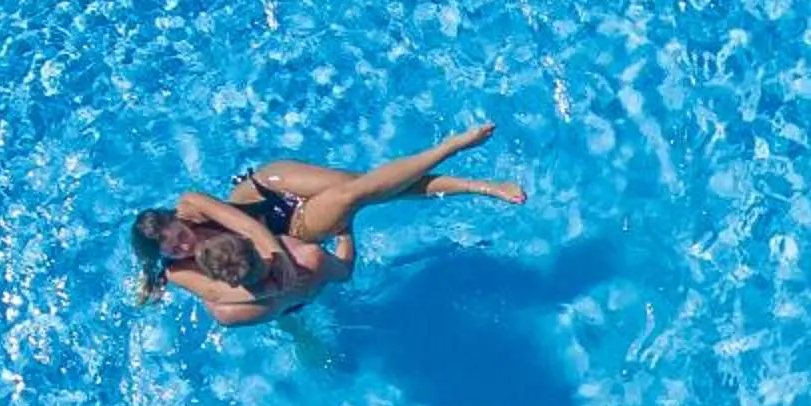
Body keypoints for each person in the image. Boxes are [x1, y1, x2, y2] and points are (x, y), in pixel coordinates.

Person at [131, 122, 523, 327]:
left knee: (366, 187)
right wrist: (282, 271)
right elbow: (226, 294)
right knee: (357, 195)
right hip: (292, 237)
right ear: (161, 254)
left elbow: (248, 228)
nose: (182, 245)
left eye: (179, 234)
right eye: (171, 247)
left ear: (176, 218)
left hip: (268, 194)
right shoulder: (180, 271)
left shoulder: (191, 204)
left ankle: (468, 173)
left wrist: (278, 260)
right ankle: (464, 170)